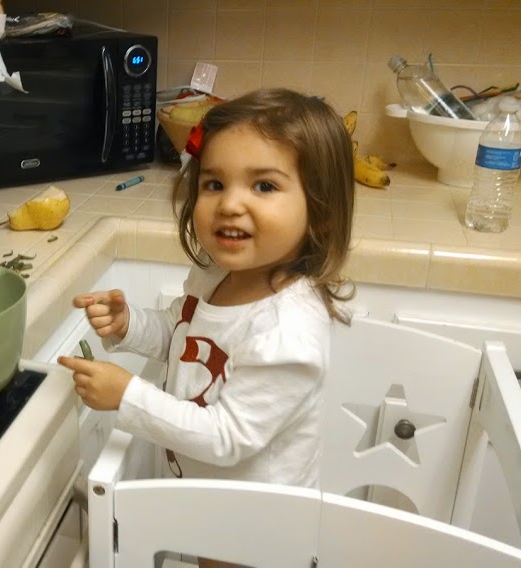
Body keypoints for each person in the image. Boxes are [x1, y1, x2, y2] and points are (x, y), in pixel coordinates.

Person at [57, 88, 355, 491]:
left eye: (264, 186)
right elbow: (184, 338)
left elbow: (226, 437)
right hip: (205, 503)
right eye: (214, 184)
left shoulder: (287, 333)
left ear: (320, 213)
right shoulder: (215, 275)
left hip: (255, 527)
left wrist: (127, 396)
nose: (230, 204)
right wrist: (130, 325)